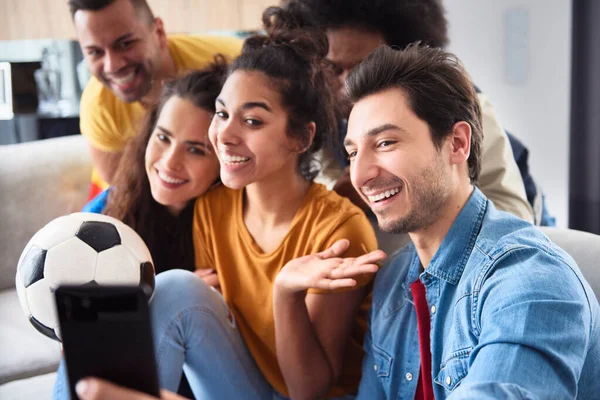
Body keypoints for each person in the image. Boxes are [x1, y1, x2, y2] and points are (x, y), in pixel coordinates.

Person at [54, 6, 384, 400]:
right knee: (173, 290)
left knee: (175, 290)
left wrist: (285, 292)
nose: (223, 135)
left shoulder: (338, 231)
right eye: (222, 113)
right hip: (242, 383)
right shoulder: (214, 208)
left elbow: (307, 391)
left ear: (300, 138)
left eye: (253, 121)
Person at [342, 44, 600, 399]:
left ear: (457, 143)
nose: (361, 174)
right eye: (353, 152)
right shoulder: (392, 280)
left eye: (385, 143)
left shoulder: (529, 281)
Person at [285, 0, 554, 225]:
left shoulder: (457, 102)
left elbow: (513, 214)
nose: (346, 86)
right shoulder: (317, 109)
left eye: (365, 67)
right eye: (333, 69)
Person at [68, 0, 241, 195]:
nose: (112, 66)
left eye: (125, 44)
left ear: (159, 33)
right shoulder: (99, 108)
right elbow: (129, 194)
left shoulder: (234, 64)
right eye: (95, 52)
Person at [81, 60, 226, 274]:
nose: (169, 162)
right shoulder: (107, 210)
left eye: (195, 150)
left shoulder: (234, 223)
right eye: (163, 137)